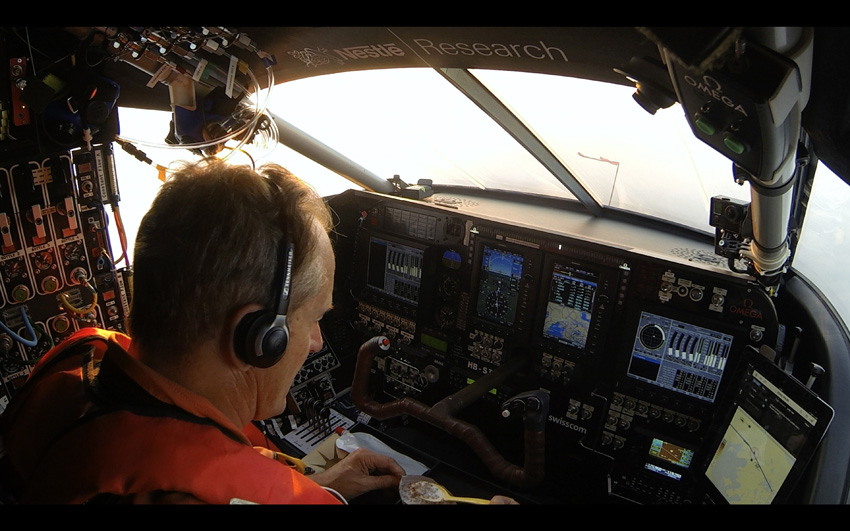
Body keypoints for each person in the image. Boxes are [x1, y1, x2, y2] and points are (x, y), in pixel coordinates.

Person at [0, 160, 406, 504]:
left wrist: (310, 486)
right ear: (261, 337)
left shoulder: (80, 355)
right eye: (315, 317)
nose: (317, 342)